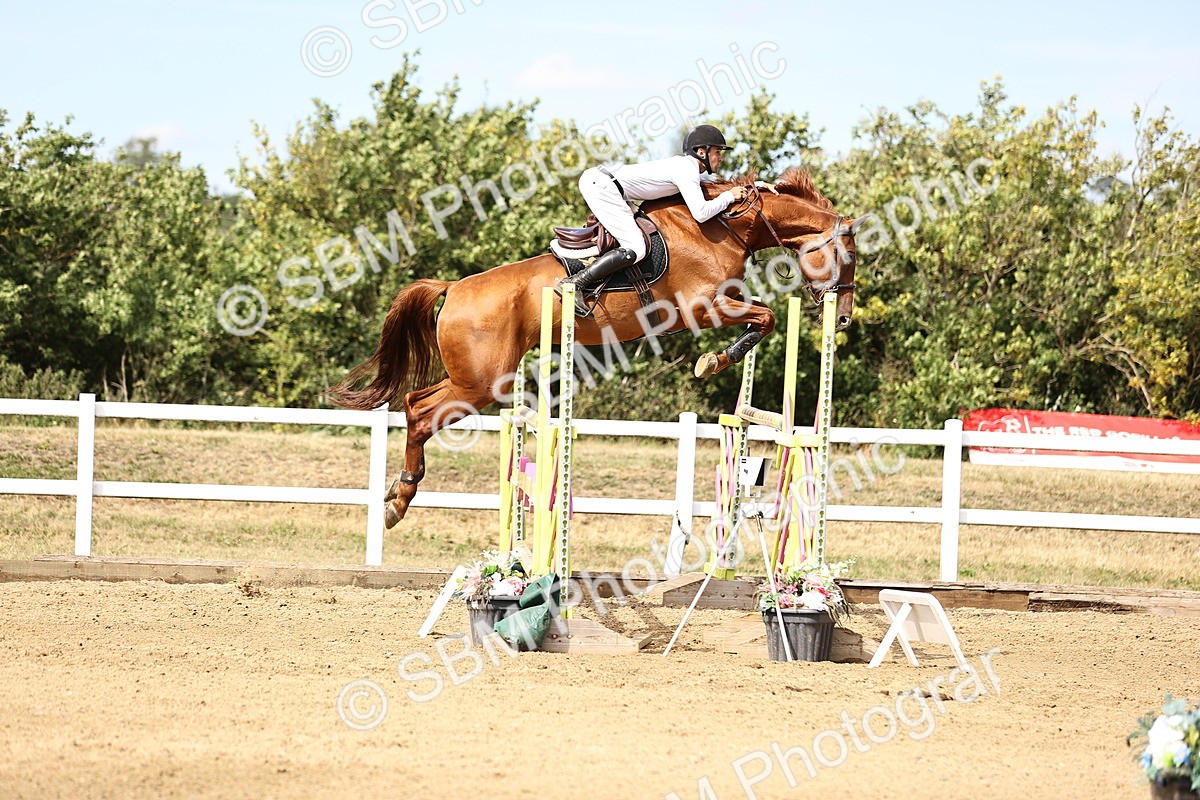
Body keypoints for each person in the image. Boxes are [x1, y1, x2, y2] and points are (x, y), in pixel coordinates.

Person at [556, 124, 751, 304]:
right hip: (603, 187)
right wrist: (728, 197)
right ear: (702, 152)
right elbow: (701, 213)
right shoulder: (686, 169)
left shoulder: (687, 169)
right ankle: (575, 284)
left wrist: (757, 186)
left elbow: (716, 188)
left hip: (608, 186)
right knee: (637, 248)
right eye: (717, 152)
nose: (721, 157)